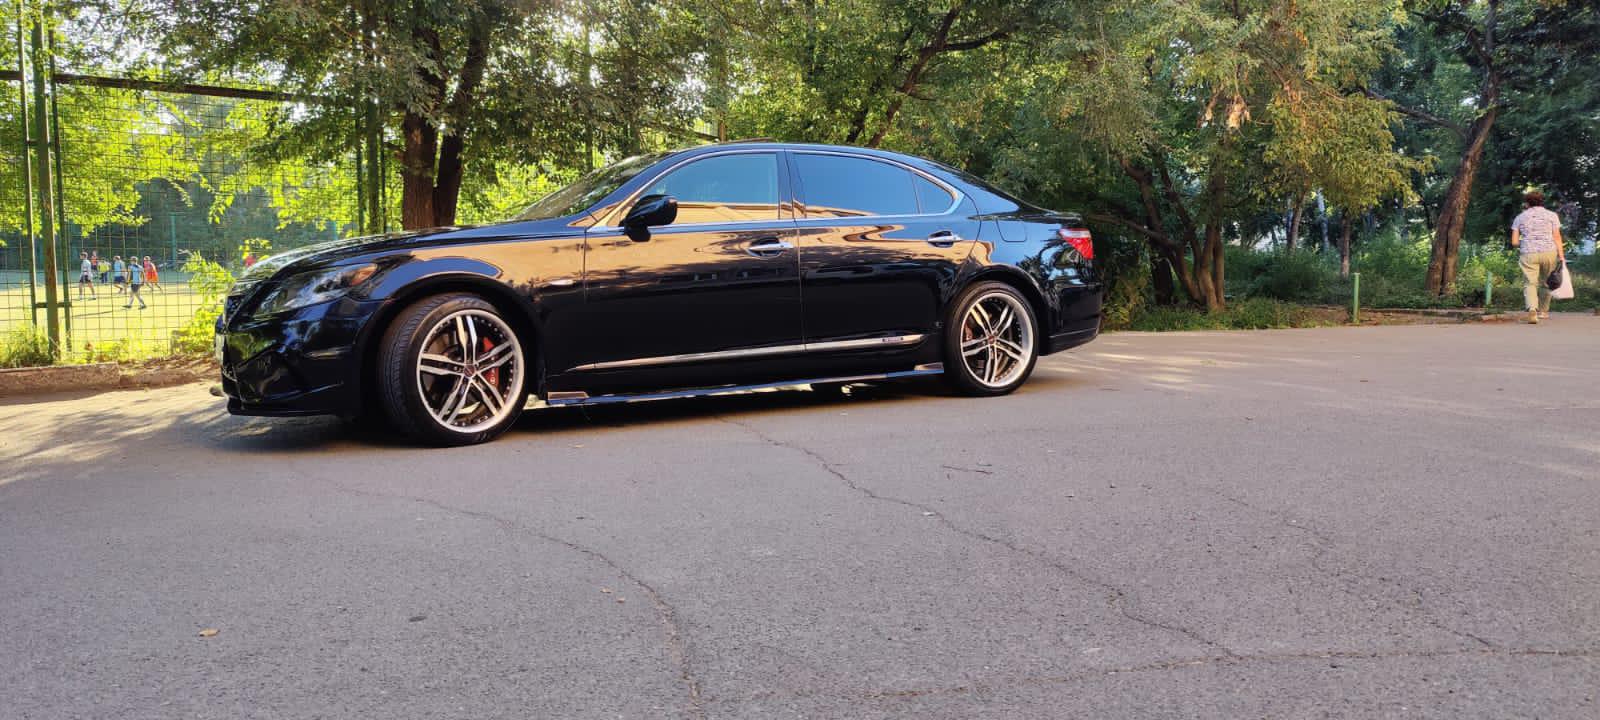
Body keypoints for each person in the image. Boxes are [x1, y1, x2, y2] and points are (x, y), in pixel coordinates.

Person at [1510, 190, 1566, 324]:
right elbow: (1557, 237)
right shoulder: (1552, 215)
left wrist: (1525, 243)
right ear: (1542, 201)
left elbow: (1514, 242)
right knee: (1548, 282)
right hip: (1549, 252)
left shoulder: (1520, 217)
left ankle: (1532, 310)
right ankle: (1543, 311)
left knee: (1530, 283)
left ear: (1527, 203)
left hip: (1529, 253)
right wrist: (1561, 256)